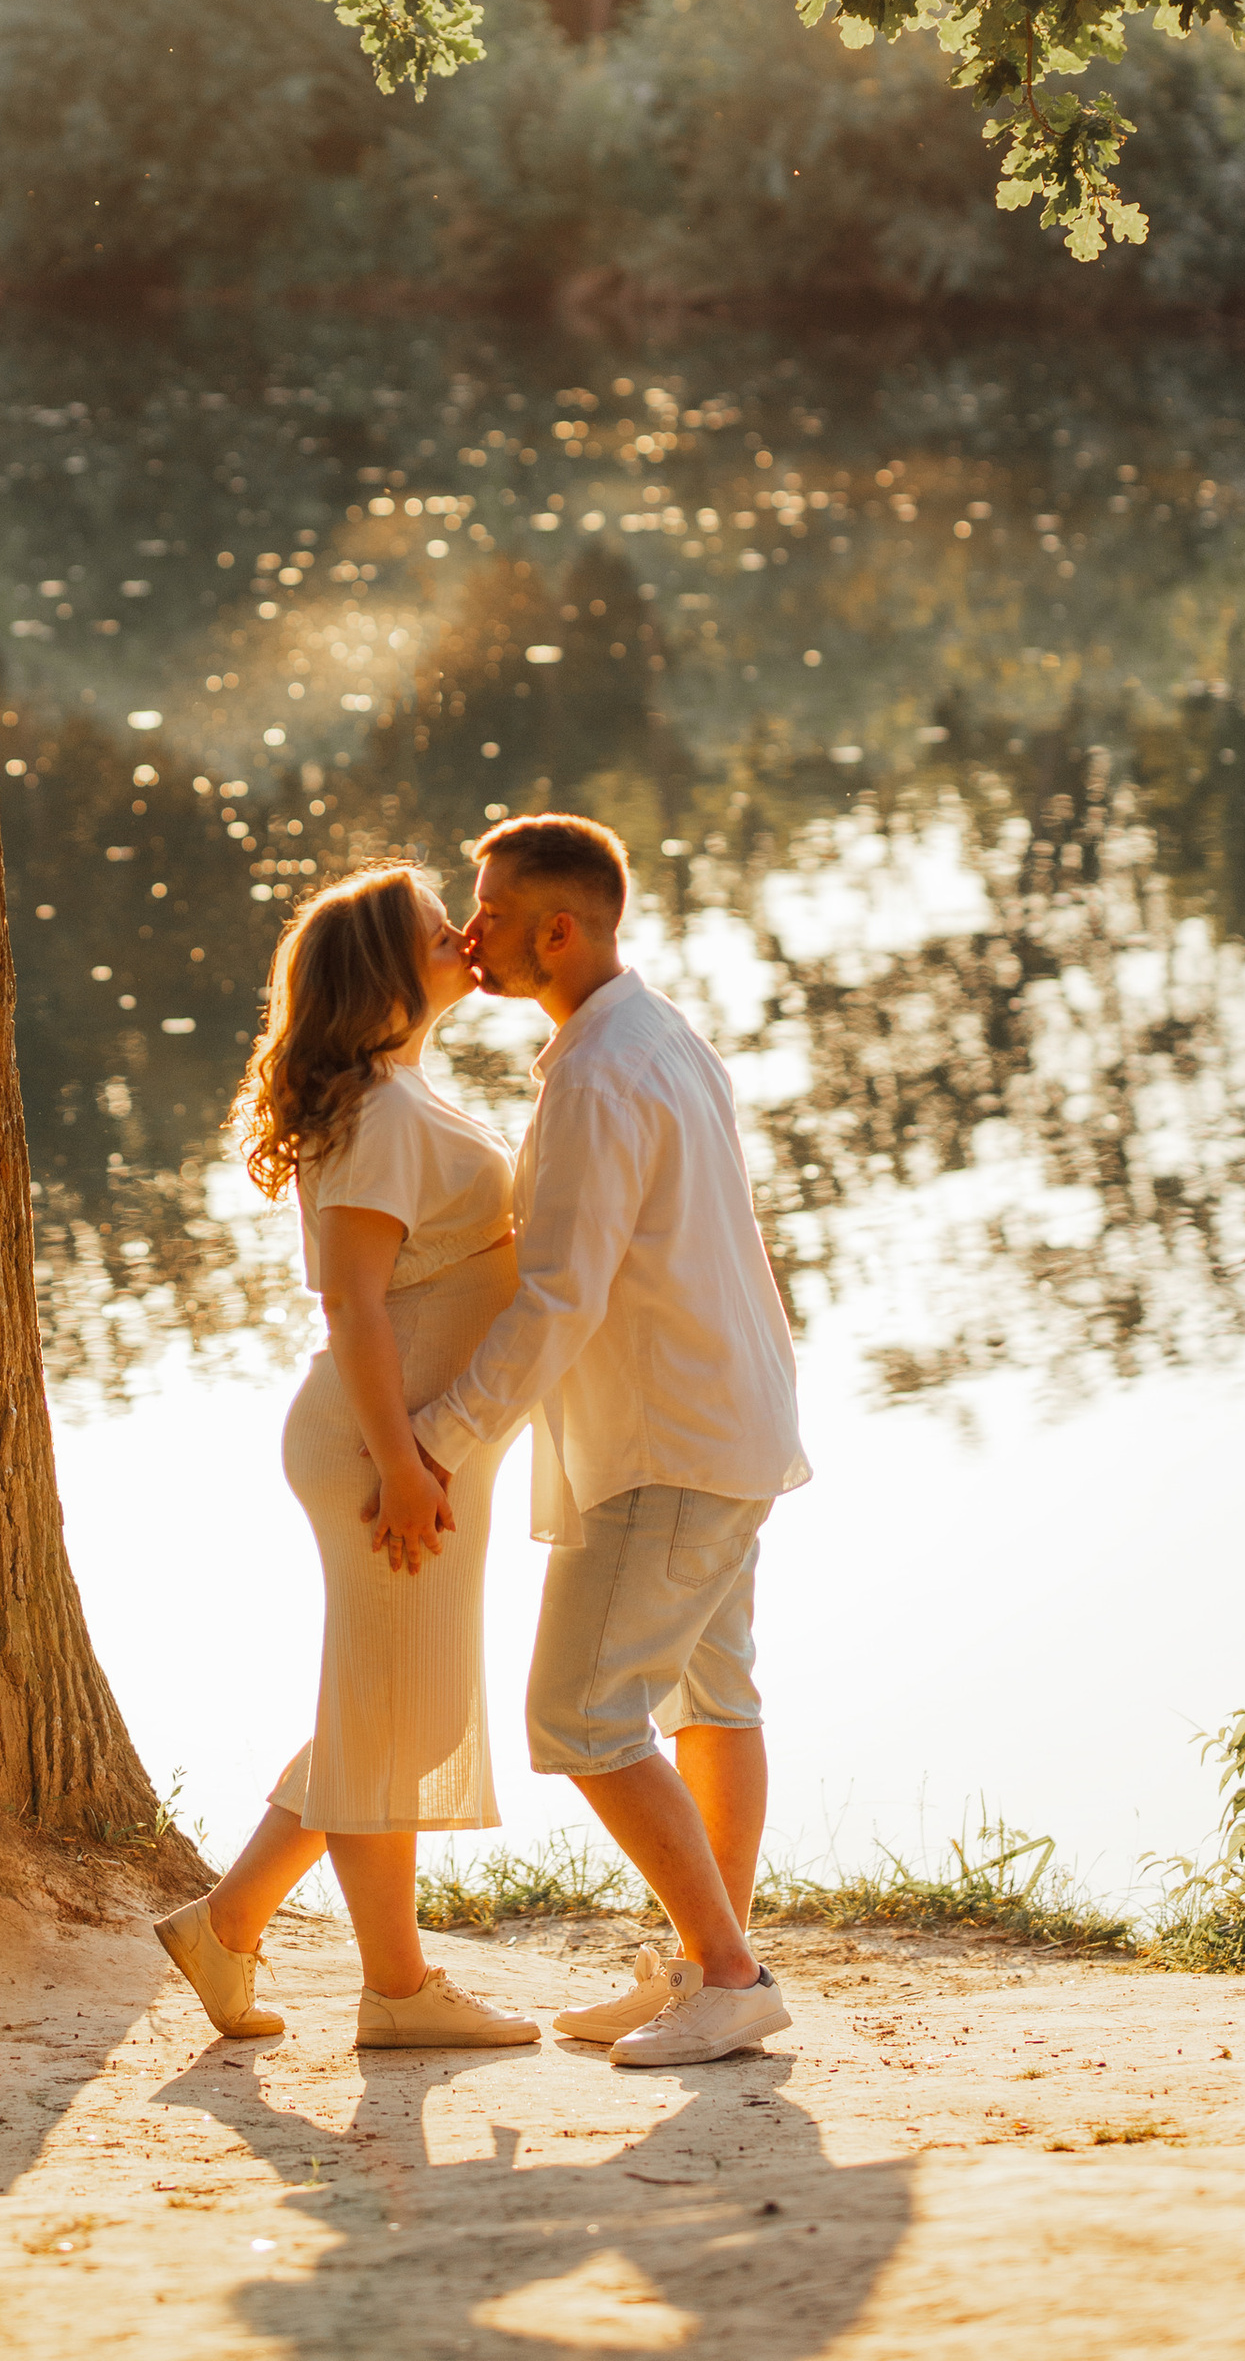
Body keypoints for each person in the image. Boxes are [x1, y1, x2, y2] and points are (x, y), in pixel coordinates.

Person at [398, 812, 808, 2069]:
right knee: (712, 1695)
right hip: (729, 1417)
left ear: (557, 931)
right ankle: (704, 1963)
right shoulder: (653, 1030)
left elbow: (559, 1296)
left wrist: (440, 1437)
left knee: (580, 1714)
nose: (472, 935)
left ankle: (728, 1976)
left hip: (667, 1438)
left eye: (492, 914)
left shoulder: (594, 1072)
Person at [154, 862, 542, 2053]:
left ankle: (236, 1928)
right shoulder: (377, 1115)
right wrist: (407, 1465)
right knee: (391, 1722)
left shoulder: (401, 1090)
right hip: (388, 1449)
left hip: (420, 1442)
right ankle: (391, 1988)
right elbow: (354, 1310)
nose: (466, 937)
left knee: (385, 1716)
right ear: (386, 967)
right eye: (441, 929)